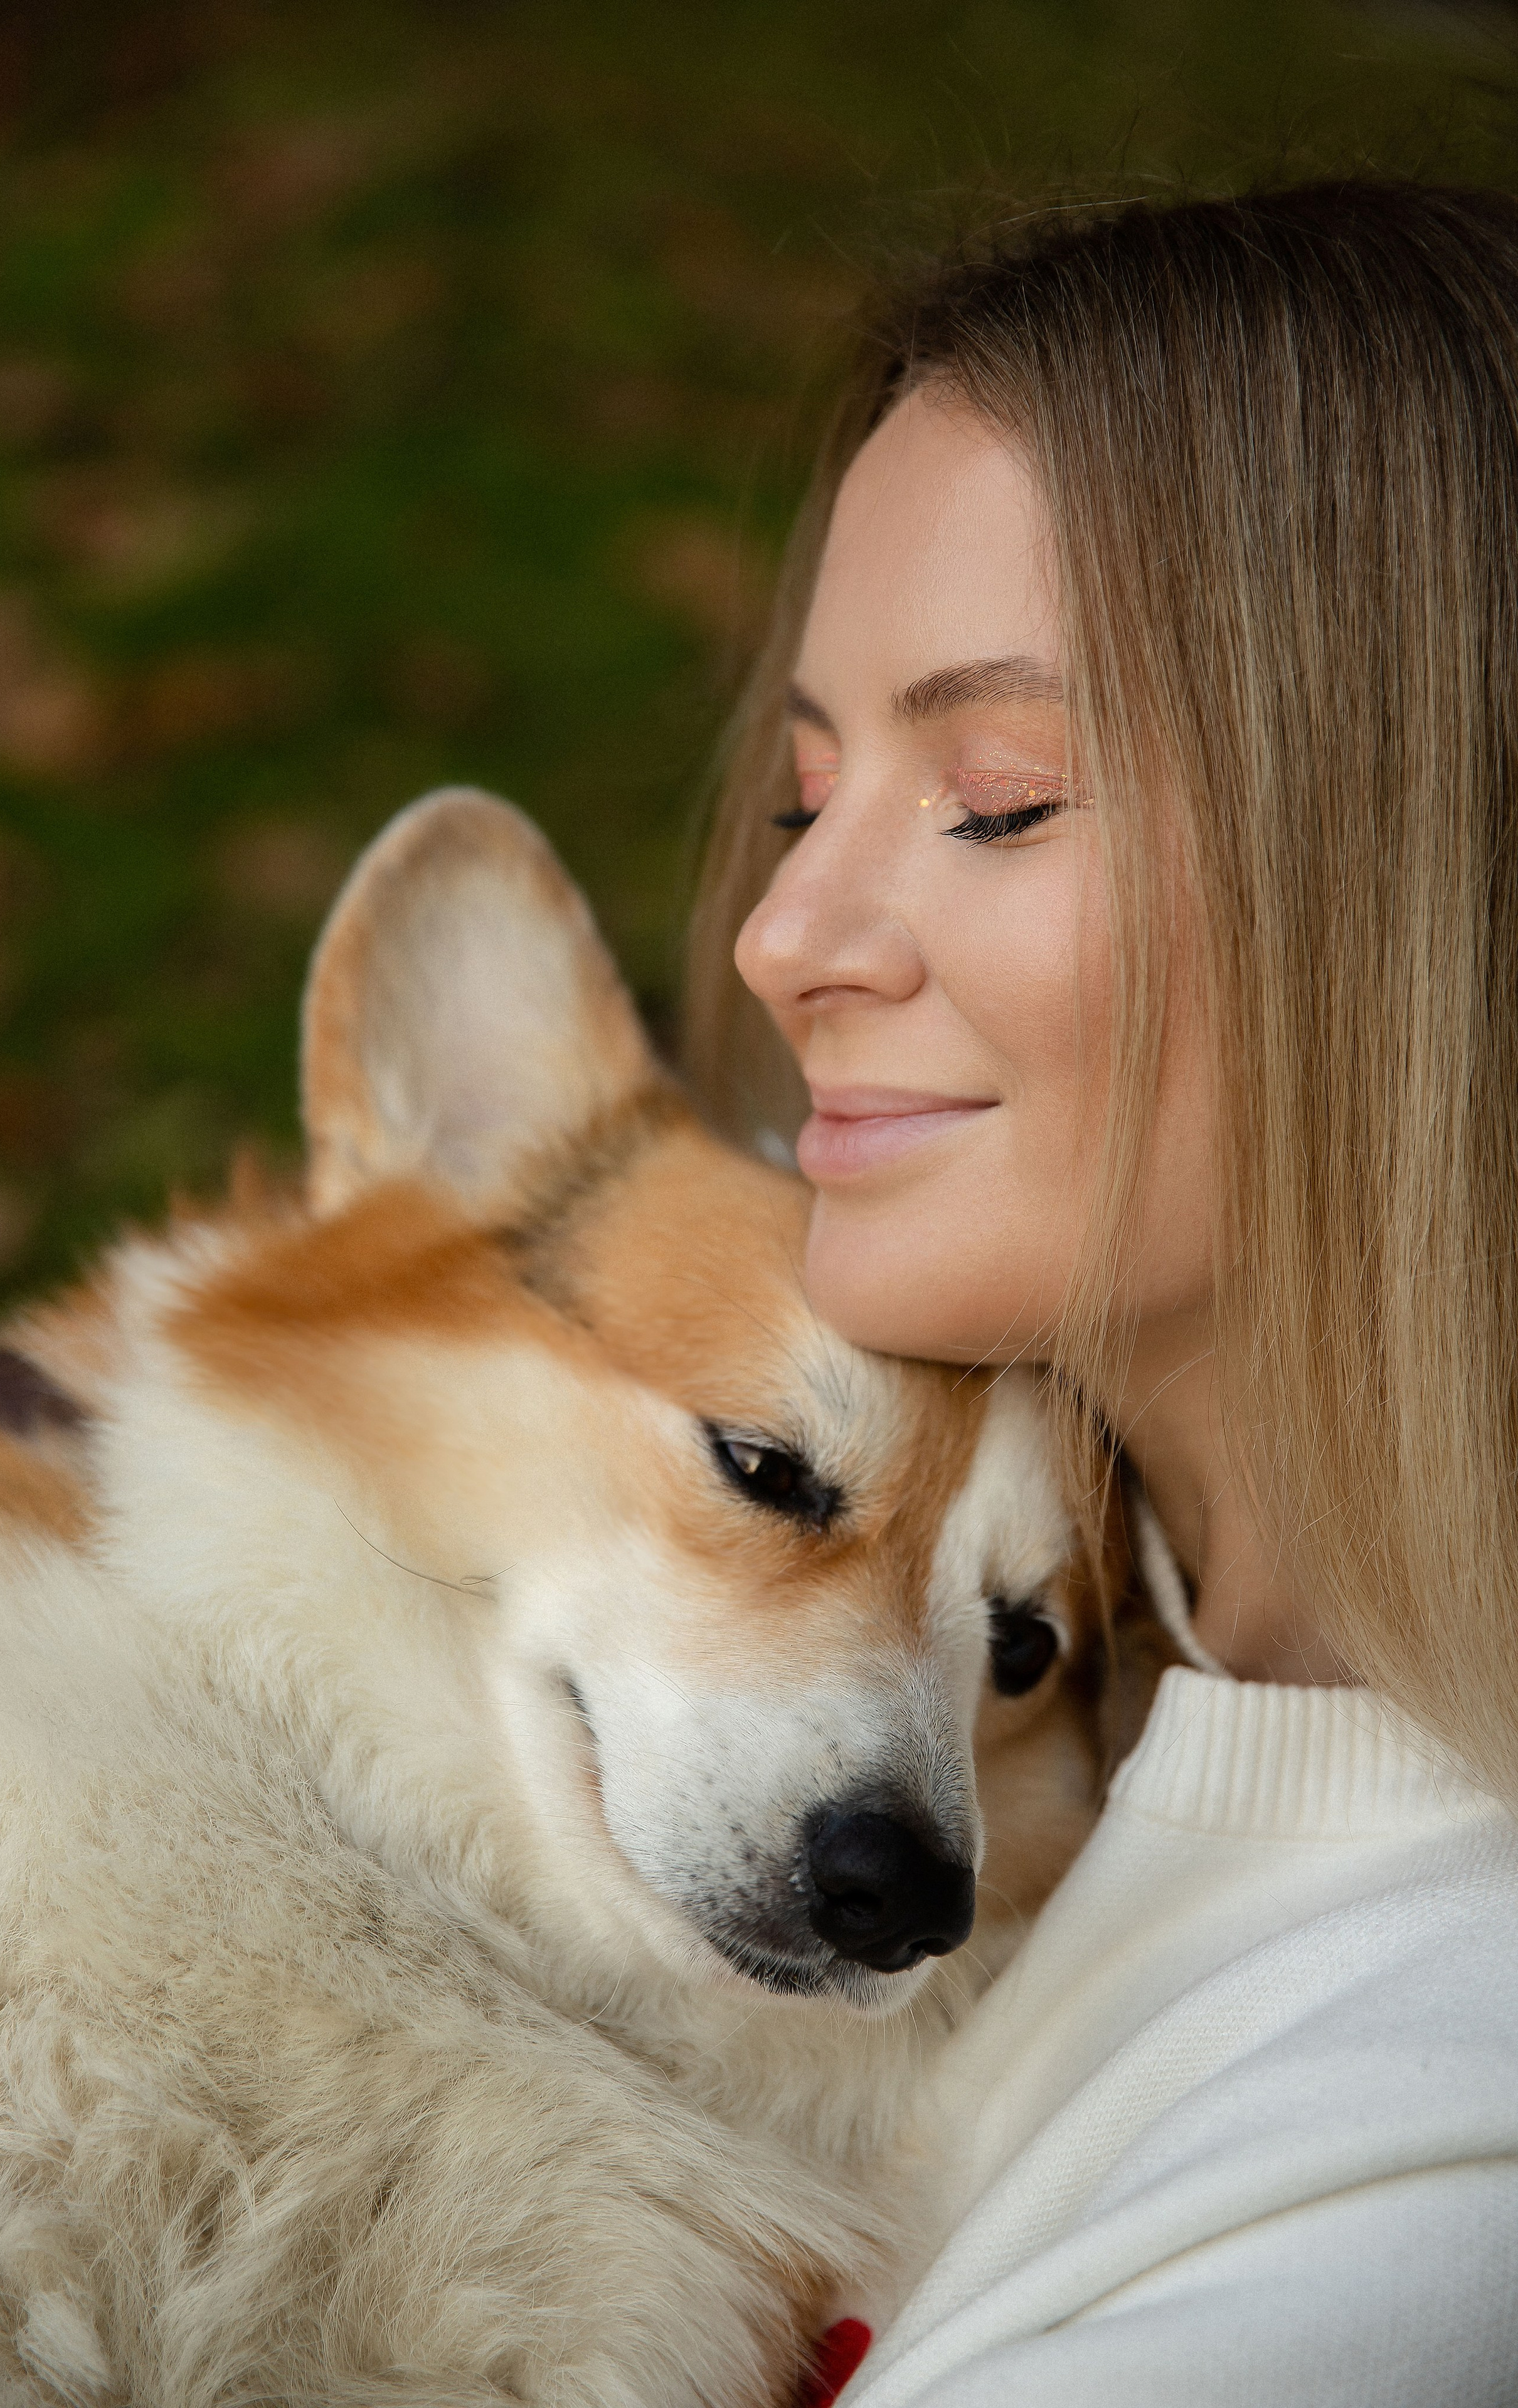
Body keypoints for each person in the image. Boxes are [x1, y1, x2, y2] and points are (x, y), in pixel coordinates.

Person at [685, 184, 1518, 2405]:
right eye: (806, 795)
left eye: (999, 799)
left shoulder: (1433, 2155)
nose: (788, 942)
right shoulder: (988, 1539)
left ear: (1433, 883)